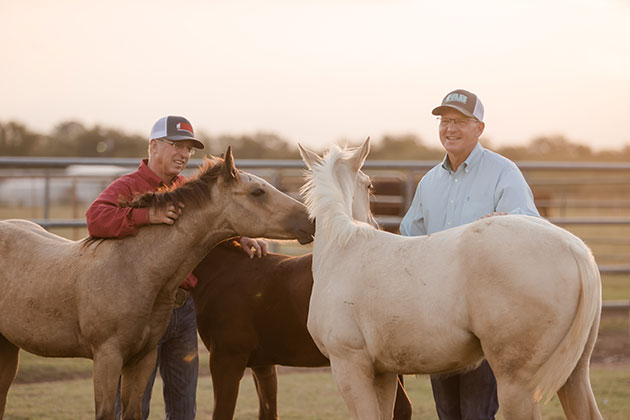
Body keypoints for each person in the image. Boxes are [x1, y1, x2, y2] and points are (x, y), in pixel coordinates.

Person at [86, 115, 267, 419]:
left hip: (182, 310)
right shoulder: (129, 186)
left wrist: (240, 237)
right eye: (176, 145)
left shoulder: (187, 188)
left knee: (184, 406)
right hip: (140, 311)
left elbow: (209, 227)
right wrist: (146, 216)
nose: (183, 154)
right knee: (134, 404)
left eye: (188, 149)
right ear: (154, 146)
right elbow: (95, 219)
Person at [399, 90, 540, 420]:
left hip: (485, 316)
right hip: (438, 316)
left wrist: (506, 222)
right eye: (444, 121)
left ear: (479, 128)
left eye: (460, 121)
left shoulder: (503, 172)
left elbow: (530, 224)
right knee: (447, 411)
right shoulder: (429, 182)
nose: (450, 129)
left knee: (477, 412)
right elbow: (409, 238)